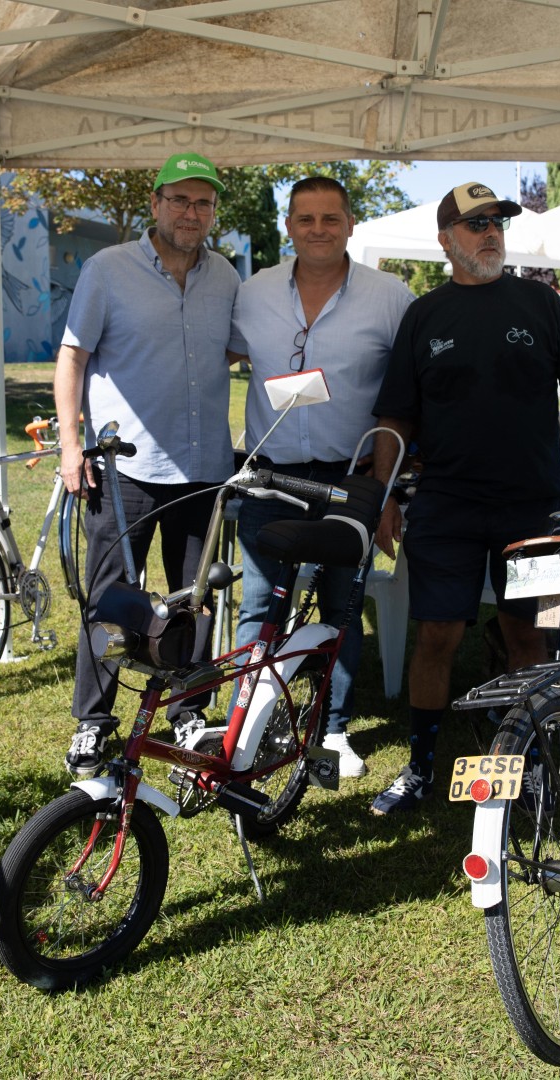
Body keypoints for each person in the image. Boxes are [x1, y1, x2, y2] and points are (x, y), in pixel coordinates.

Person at [365, 182, 560, 815]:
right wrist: (383, 494)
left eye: (497, 223)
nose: (490, 234)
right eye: (476, 224)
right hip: (445, 507)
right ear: (446, 240)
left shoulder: (540, 303)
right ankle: (421, 770)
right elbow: (396, 417)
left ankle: (525, 767)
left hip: (532, 509)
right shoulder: (424, 316)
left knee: (531, 636)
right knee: (437, 635)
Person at [54, 152, 241, 778]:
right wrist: (70, 445)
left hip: (203, 467)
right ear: (156, 204)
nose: (192, 213)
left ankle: (189, 708)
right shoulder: (108, 269)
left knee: (195, 599)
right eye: (180, 200)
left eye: (203, 203)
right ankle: (94, 721)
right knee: (111, 599)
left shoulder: (226, 276)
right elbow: (72, 358)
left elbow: (236, 351)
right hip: (123, 468)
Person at [226, 176, 414, 778]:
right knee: (259, 605)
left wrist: (386, 489)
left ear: (351, 224)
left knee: (341, 606)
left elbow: (407, 397)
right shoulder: (251, 293)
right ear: (288, 227)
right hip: (270, 478)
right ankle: (246, 726)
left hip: (350, 479)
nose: (318, 230)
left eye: (331, 218)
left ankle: (332, 730)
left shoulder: (390, 297)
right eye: (305, 219)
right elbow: (216, 356)